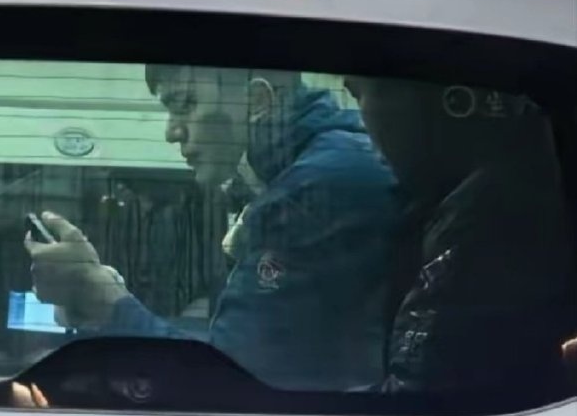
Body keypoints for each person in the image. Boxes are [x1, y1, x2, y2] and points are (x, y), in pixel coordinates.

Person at [26, 65, 406, 391]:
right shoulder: (314, 169)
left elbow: (228, 380)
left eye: (185, 104)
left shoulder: (317, 188)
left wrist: (103, 300)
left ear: (257, 102)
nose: (172, 132)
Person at [346, 77, 576, 398]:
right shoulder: (514, 179)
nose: (364, 124)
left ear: (450, 102)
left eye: (361, 95)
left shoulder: (491, 219)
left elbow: (426, 393)